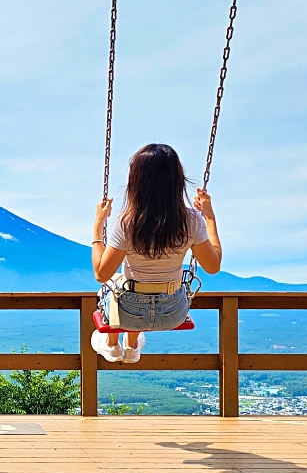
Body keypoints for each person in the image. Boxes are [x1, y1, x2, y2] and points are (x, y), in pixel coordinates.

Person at [91, 143, 222, 363]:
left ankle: (112, 345)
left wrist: (97, 226)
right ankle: (131, 347)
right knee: (127, 281)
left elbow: (101, 274)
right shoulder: (191, 221)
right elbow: (213, 266)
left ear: (136, 182)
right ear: (177, 181)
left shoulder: (126, 223)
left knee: (115, 283)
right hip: (172, 313)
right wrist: (209, 217)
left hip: (129, 313)